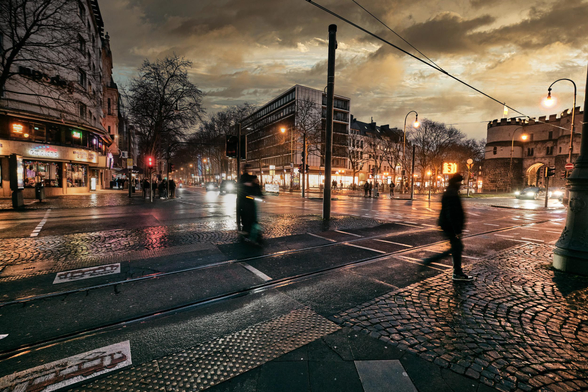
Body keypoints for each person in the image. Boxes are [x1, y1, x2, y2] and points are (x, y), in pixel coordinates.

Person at [424, 173, 473, 282]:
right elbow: (452, 213)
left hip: (448, 226)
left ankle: (455, 271)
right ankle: (455, 272)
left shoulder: (451, 191)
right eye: (460, 182)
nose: (461, 184)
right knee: (457, 248)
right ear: (457, 182)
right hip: (450, 227)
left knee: (456, 248)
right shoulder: (452, 193)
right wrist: (457, 230)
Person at [238, 164, 263, 238]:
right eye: (248, 168)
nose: (249, 170)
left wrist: (260, 195)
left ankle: (250, 230)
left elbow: (257, 188)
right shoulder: (244, 178)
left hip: (250, 201)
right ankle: (246, 230)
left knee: (252, 216)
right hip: (245, 201)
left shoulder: (251, 178)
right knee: (247, 216)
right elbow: (241, 189)